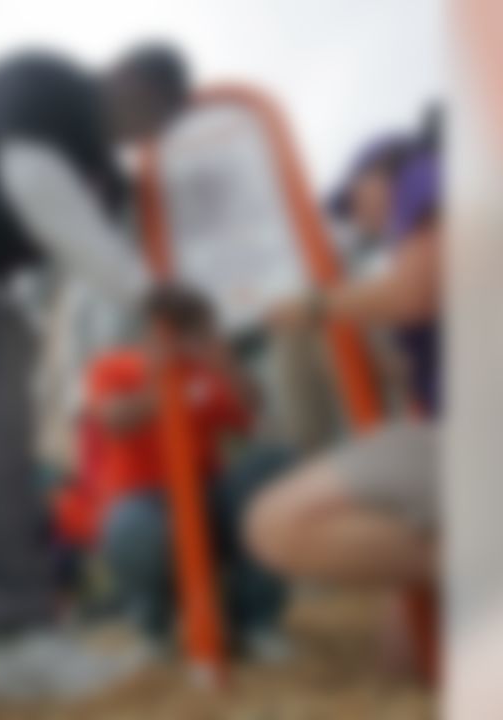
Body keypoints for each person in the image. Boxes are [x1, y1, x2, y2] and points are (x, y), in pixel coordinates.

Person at [0, 43, 191, 700]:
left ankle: (16, 647)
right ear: (124, 76)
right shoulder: (49, 79)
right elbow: (32, 178)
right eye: (154, 114)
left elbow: (113, 246)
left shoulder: (110, 174)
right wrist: (147, 291)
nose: (149, 136)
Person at [247, 109, 443, 586]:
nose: (357, 220)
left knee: (280, 524)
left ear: (380, 170)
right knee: (399, 647)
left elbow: (415, 292)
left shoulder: (423, 174)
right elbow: (409, 366)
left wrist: (313, 305)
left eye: (352, 201)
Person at [75, 285, 291, 660]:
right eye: (183, 330)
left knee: (272, 467)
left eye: (200, 329)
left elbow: (253, 415)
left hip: (208, 490)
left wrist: (224, 364)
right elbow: (115, 420)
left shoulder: (208, 370)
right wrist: (159, 376)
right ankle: (155, 629)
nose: (190, 340)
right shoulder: (116, 364)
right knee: (132, 531)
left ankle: (256, 623)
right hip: (145, 497)